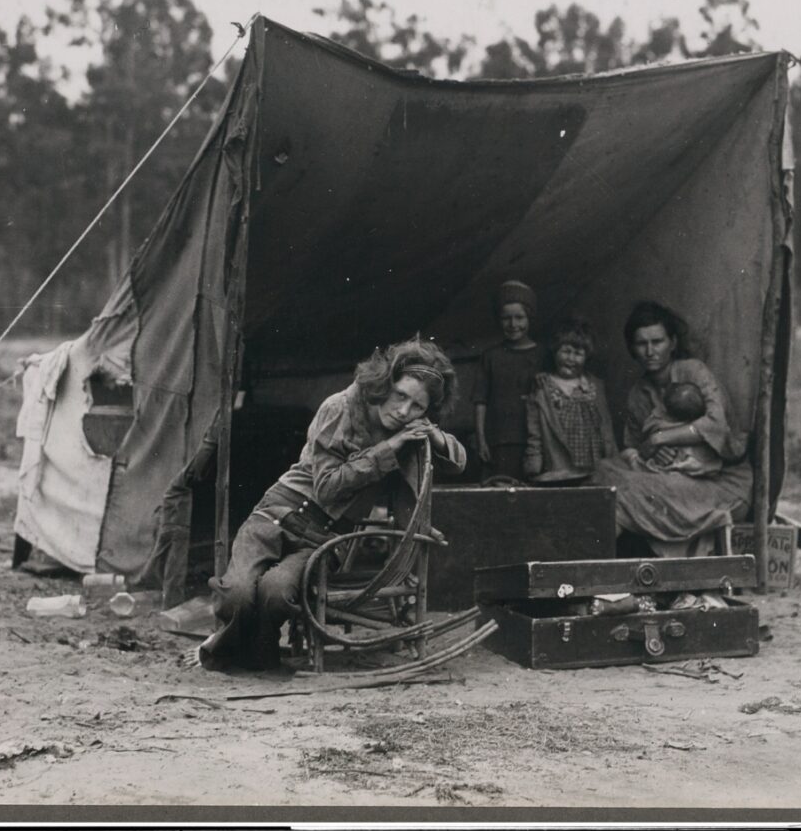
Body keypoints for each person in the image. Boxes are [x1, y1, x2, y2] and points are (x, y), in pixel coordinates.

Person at [202, 339, 467, 672]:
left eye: (417, 406)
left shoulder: (410, 429)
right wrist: (389, 447)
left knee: (276, 592)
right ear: (385, 382)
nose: (403, 412)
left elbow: (456, 461)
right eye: (400, 395)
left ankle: (262, 649)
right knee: (237, 594)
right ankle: (224, 648)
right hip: (277, 513)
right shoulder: (340, 407)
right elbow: (327, 488)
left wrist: (435, 435)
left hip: (327, 536)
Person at [597, 300, 752, 550]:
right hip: (668, 476)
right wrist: (644, 456)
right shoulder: (638, 393)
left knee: (622, 495)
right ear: (632, 349)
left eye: (657, 342)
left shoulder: (693, 372)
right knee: (602, 473)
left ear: (673, 343)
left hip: (720, 483)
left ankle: (597, 564)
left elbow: (716, 424)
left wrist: (661, 439)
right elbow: (631, 446)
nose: (650, 351)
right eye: (641, 343)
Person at [525, 321, 621, 483]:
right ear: (555, 352)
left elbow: (606, 429)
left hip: (593, 467)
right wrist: (533, 464)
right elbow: (534, 430)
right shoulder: (543, 387)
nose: (571, 359)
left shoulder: (594, 386)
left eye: (578, 354)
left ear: (586, 357)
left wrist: (613, 461)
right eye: (566, 351)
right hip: (559, 468)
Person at [475, 281, 544, 477]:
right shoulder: (490, 356)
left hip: (535, 441)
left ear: (530, 317)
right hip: (498, 440)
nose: (513, 325)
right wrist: (481, 440)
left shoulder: (543, 355)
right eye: (506, 318)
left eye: (519, 317)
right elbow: (480, 401)